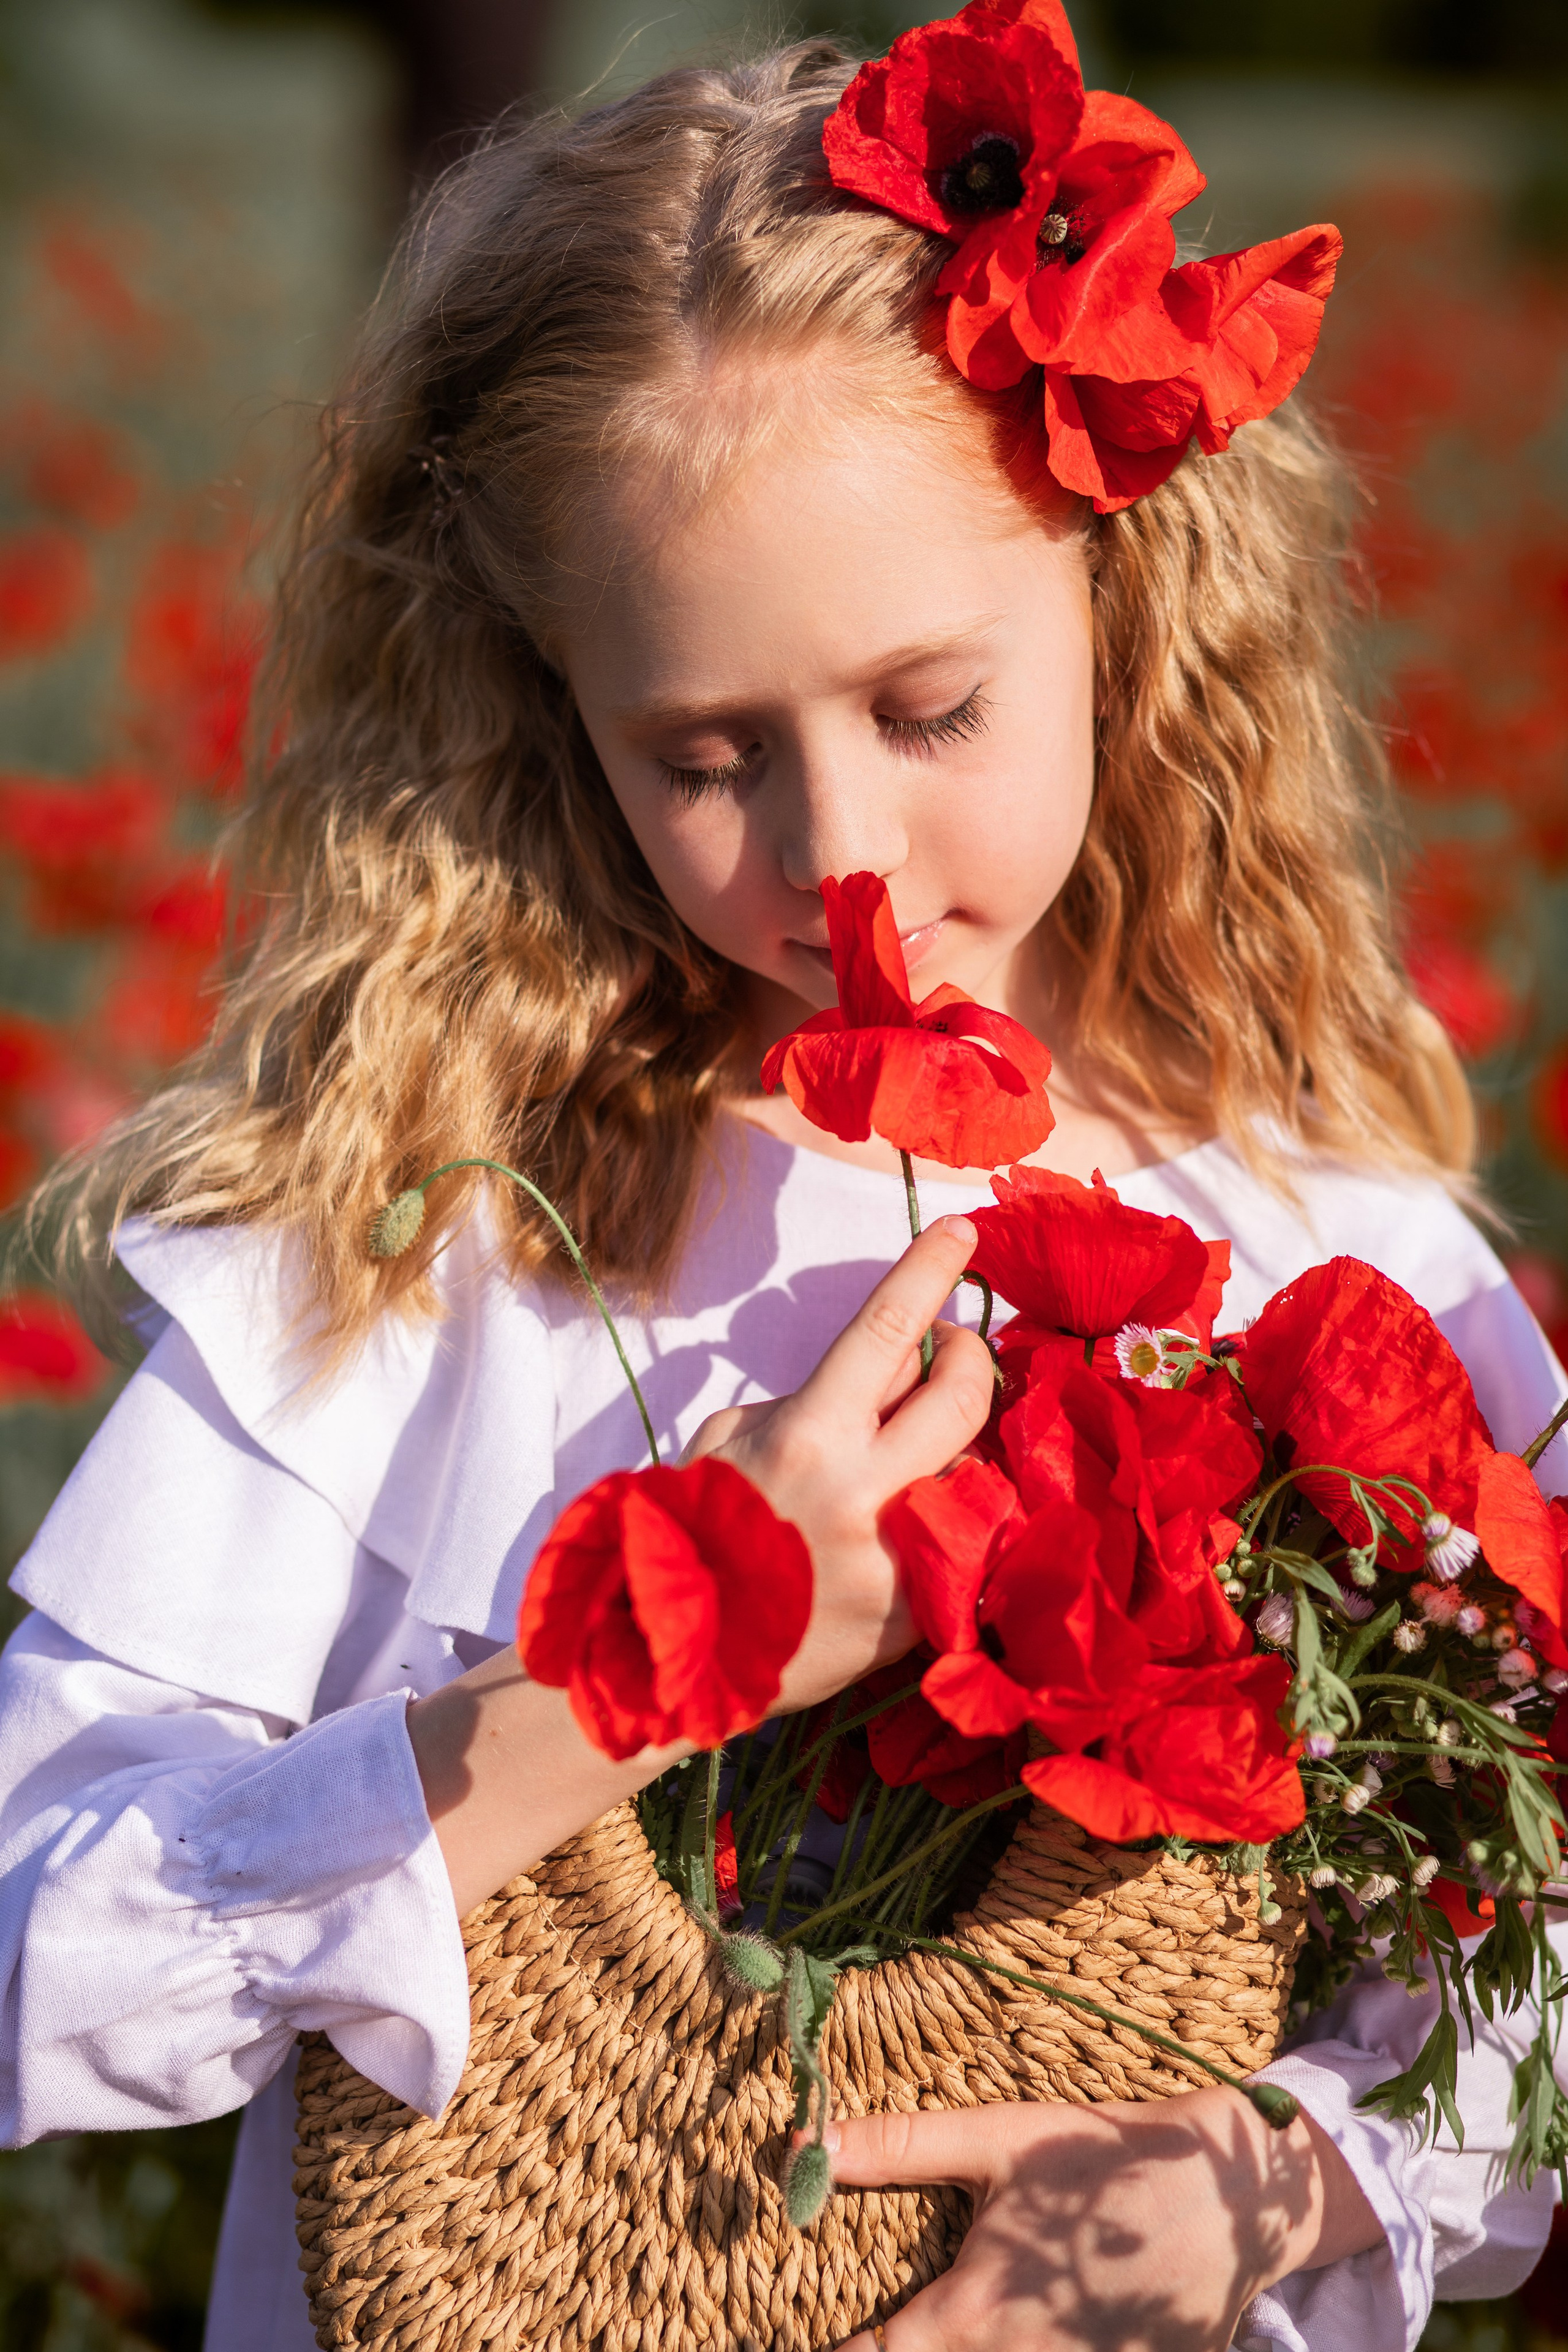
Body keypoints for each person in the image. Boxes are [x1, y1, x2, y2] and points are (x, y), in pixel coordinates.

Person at [2, 13, 1564, 2350]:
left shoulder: (1347, 1269)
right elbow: (40, 1936)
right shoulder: (444, 1240)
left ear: (1124, 621)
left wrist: (1280, 2184)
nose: (841, 860)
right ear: (557, 719)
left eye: (929, 711)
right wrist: (606, 1688)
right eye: (706, 753)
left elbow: (1524, 1977)